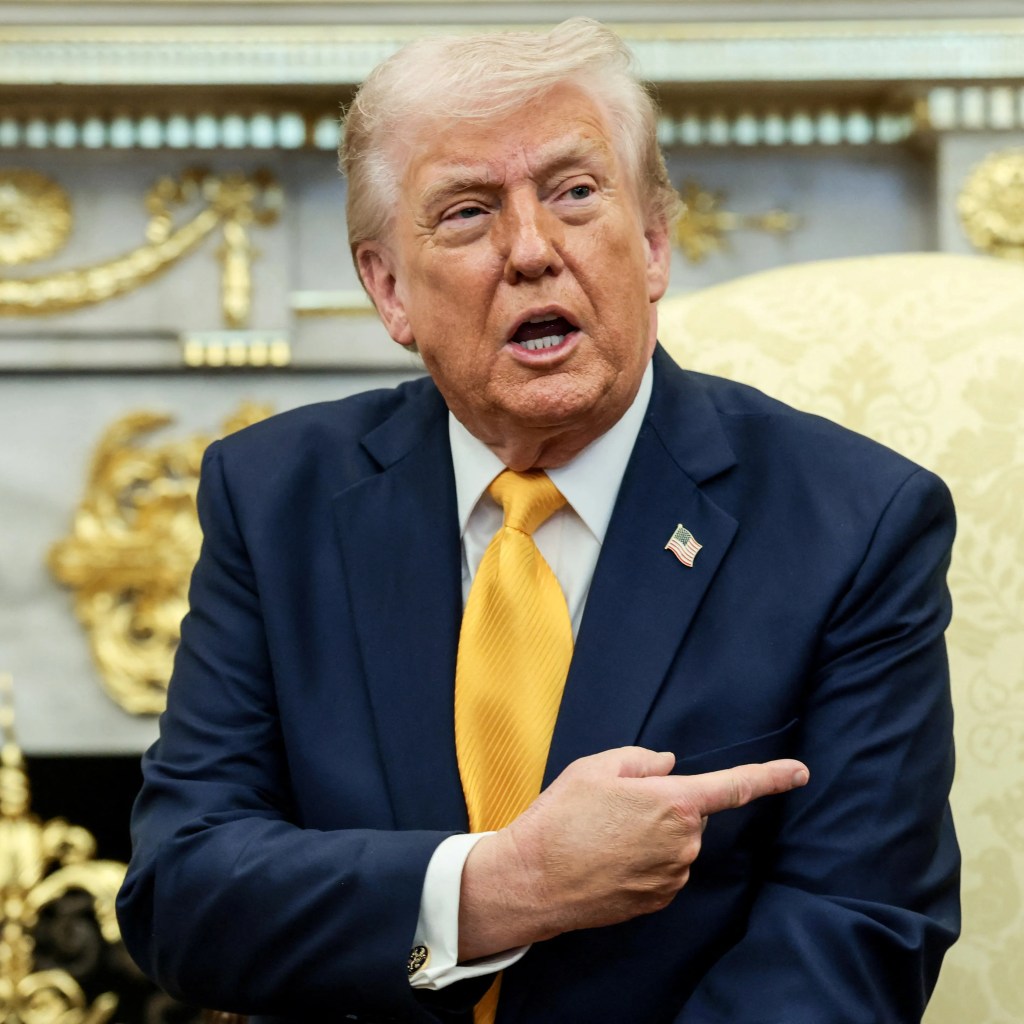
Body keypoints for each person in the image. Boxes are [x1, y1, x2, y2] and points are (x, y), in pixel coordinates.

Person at [116, 18, 959, 1024]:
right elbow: (184, 894)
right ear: (388, 288)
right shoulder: (274, 498)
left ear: (652, 243)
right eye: (467, 213)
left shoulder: (853, 521)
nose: (530, 251)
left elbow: (855, 932)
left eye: (573, 193)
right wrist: (505, 883)